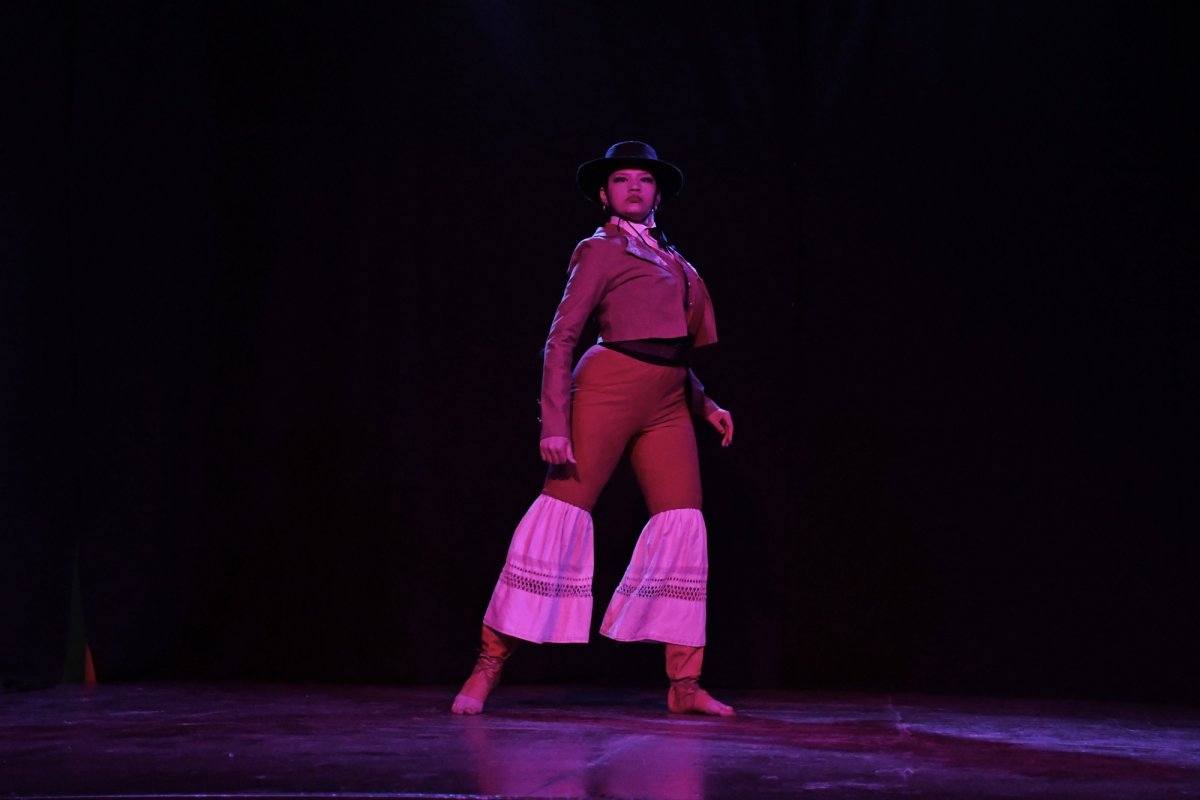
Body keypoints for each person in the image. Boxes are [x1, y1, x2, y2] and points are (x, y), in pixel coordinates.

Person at [451, 141, 735, 717]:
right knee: (559, 517)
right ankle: (487, 665)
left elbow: (670, 347)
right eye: (622, 180)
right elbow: (561, 338)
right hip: (607, 390)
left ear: (658, 194)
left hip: (669, 400)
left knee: (683, 523)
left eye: (644, 180)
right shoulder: (599, 249)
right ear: (605, 194)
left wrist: (704, 403)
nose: (634, 187)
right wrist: (554, 422)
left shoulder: (672, 258)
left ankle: (684, 684)